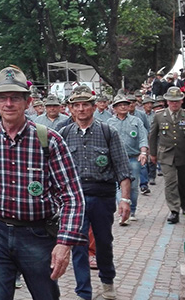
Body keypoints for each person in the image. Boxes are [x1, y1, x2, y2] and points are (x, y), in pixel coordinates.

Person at [0, 65, 85, 300]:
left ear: (27, 102)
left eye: (15, 98)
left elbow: (73, 197)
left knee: (45, 296)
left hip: (37, 236)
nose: (9, 104)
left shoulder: (49, 140)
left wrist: (64, 244)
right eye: (2, 98)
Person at [59, 85, 131, 300]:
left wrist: (125, 199)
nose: (81, 109)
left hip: (102, 197)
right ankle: (84, 292)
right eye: (76, 105)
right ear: (70, 109)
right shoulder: (64, 134)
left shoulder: (108, 132)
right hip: (75, 199)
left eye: (85, 105)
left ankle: (107, 281)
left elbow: (122, 168)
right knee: (78, 245)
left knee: (103, 242)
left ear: (93, 107)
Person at [149, 86, 185, 224]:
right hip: (166, 155)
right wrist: (153, 154)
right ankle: (174, 210)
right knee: (170, 182)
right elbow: (153, 136)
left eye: (177, 101)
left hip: (183, 154)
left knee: (184, 182)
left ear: (181, 101)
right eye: (172, 101)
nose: (174, 104)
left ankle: (184, 204)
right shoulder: (159, 115)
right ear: (167, 101)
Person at [106, 94, 149, 225]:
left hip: (133, 158)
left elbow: (143, 137)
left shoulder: (136, 121)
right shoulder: (109, 123)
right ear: (114, 108)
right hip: (115, 160)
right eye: (120, 105)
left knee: (133, 187)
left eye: (125, 104)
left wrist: (143, 152)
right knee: (118, 186)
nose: (123, 107)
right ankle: (123, 212)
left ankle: (132, 210)